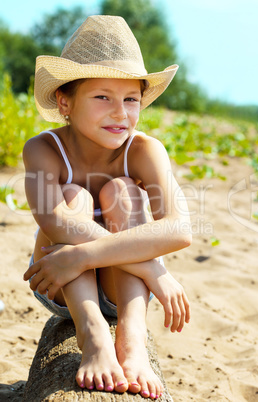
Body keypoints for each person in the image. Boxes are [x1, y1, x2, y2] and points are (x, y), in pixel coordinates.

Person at [23, 15, 192, 400]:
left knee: (123, 192)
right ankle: (94, 334)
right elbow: (53, 221)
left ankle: (131, 339)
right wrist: (154, 269)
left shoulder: (145, 149)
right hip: (61, 282)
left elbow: (181, 229)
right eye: (103, 97)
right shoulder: (43, 149)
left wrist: (83, 255)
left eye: (130, 99)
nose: (120, 113)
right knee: (74, 198)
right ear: (65, 102)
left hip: (122, 290)